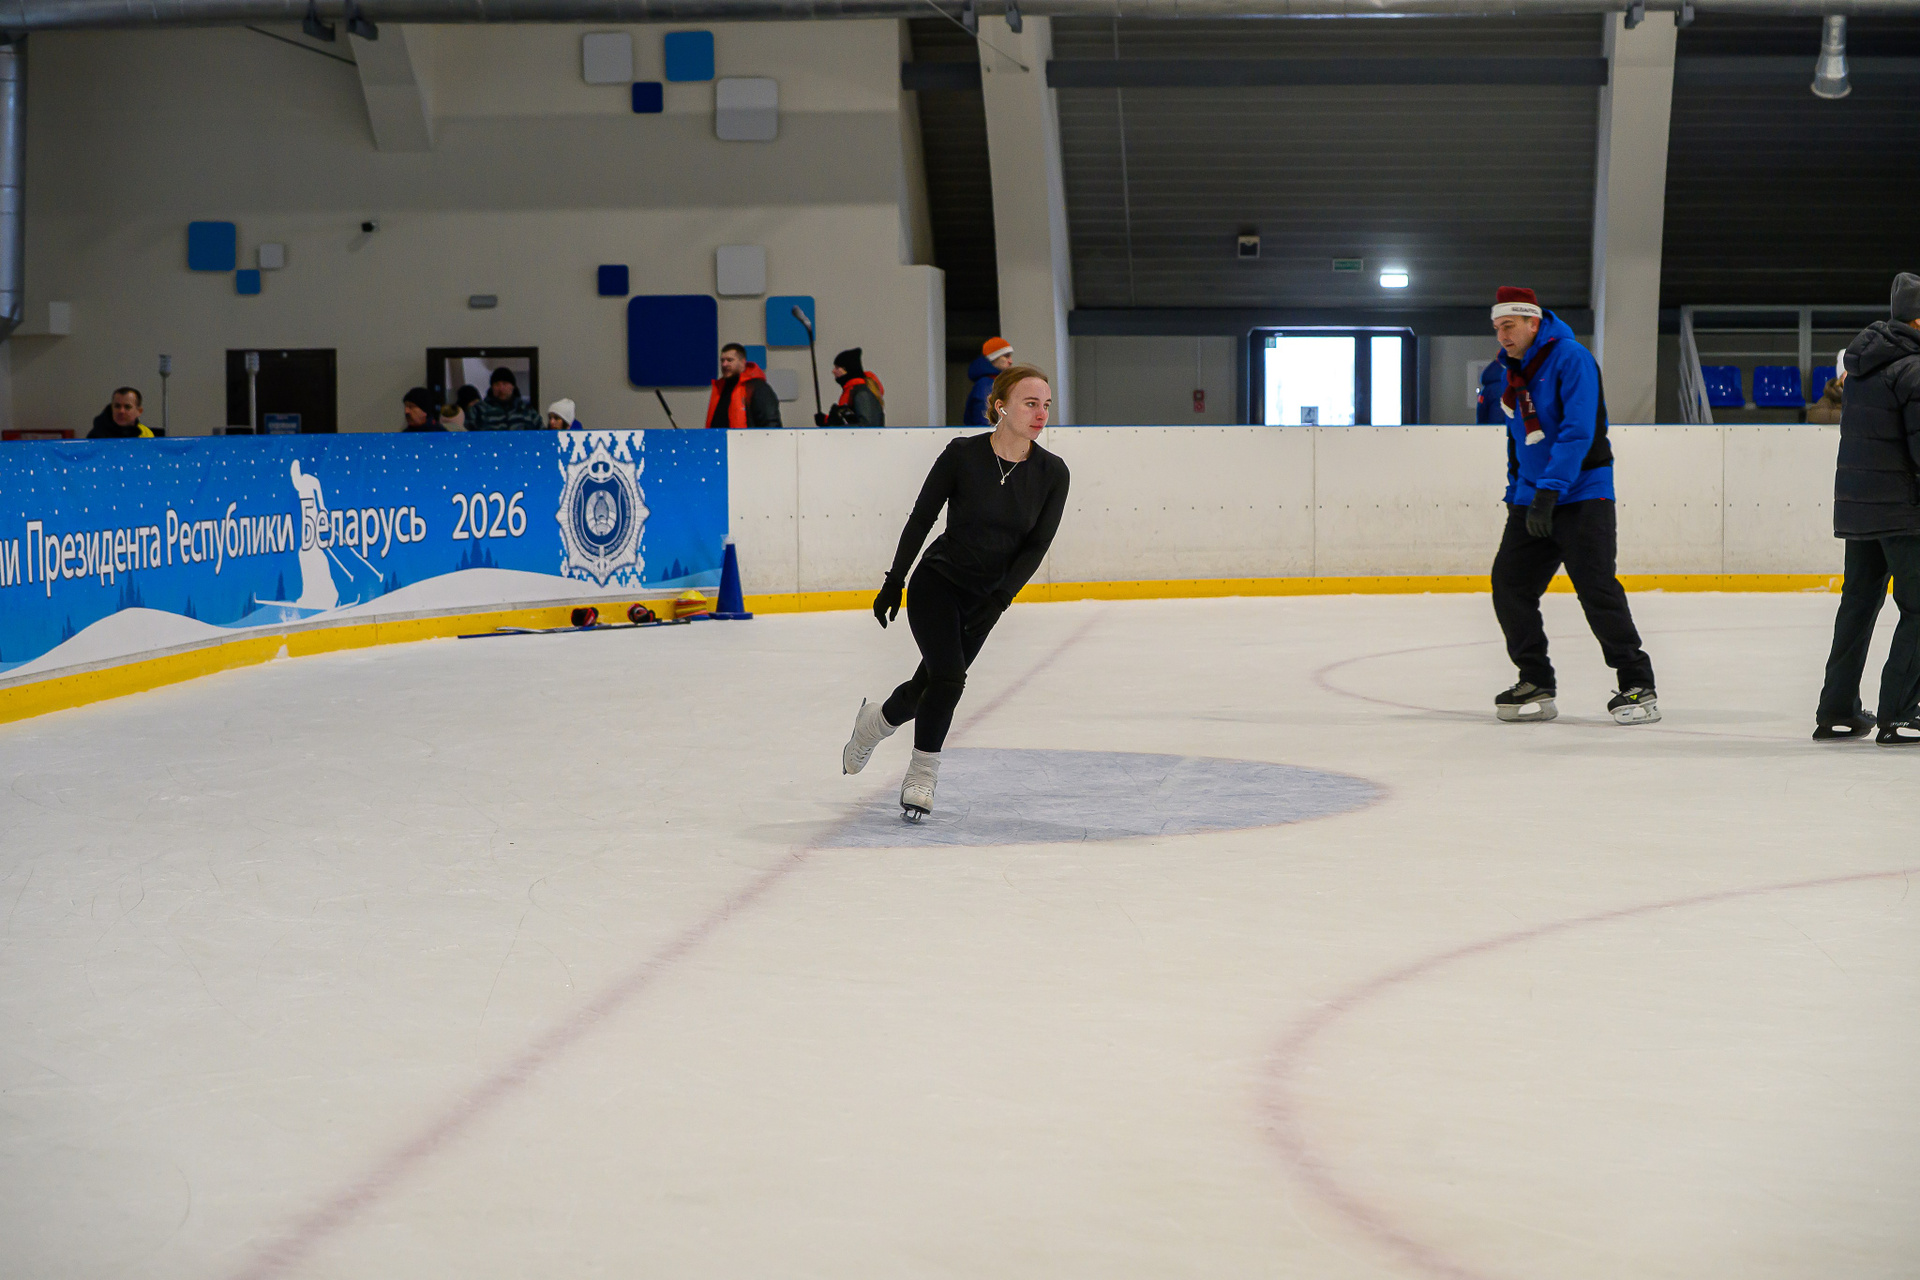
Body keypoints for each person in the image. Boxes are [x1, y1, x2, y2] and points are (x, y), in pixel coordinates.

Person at [840, 365, 1070, 820]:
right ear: (1001, 406)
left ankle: (873, 723)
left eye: (1046, 405)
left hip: (986, 599)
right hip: (938, 584)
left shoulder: (1053, 473)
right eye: (1030, 404)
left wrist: (1000, 599)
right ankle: (922, 775)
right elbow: (922, 517)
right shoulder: (962, 454)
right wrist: (895, 579)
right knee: (949, 679)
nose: (1041, 414)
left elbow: (1036, 546)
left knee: (928, 685)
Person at [1485, 286, 1659, 726]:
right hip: (1532, 498)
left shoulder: (1571, 358)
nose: (1502, 335)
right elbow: (1518, 440)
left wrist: (1549, 490)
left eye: (1509, 326)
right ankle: (1535, 678)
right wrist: (1519, 493)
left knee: (1596, 588)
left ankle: (1637, 682)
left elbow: (1579, 430)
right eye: (1497, 328)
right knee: (1509, 584)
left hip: (1582, 494)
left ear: (1533, 323)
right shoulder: (1513, 371)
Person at [1813, 272, 1920, 745]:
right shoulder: (1913, 369)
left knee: (1857, 604)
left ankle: (1837, 711)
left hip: (1860, 509)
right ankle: (1901, 713)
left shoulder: (1863, 368)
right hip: (1903, 511)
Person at [706, 343, 783, 429]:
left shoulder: (758, 388)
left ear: (743, 362)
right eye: (722, 360)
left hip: (748, 438)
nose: (724, 364)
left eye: (729, 360)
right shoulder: (719, 388)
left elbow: (771, 425)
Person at [819, 348, 885, 427]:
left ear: (847, 370)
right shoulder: (854, 391)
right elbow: (853, 421)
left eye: (837, 367)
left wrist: (836, 427)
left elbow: (867, 425)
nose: (833, 371)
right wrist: (827, 421)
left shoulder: (862, 394)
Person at [466, 367, 541, 431]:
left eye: (505, 384)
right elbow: (467, 434)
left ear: (512, 386)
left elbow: (541, 433)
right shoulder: (478, 410)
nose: (501, 388)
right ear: (492, 387)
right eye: (497, 384)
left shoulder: (526, 410)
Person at [963, 337, 1014, 427]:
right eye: (1006, 356)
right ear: (994, 358)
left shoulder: (994, 382)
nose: (1011, 361)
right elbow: (985, 419)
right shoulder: (987, 384)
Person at [88, 387, 154, 439]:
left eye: (127, 407)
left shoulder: (145, 434)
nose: (121, 411)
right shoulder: (97, 437)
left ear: (139, 411)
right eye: (117, 406)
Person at [1807, 350, 1848, 426]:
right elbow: (1815, 415)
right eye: (1848, 373)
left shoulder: (1867, 396)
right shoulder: (1831, 396)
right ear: (1841, 378)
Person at [1474, 356, 1507, 424]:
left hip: (1491, 428)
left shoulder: (1487, 389)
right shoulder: (1514, 385)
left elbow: (1481, 414)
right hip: (1511, 427)